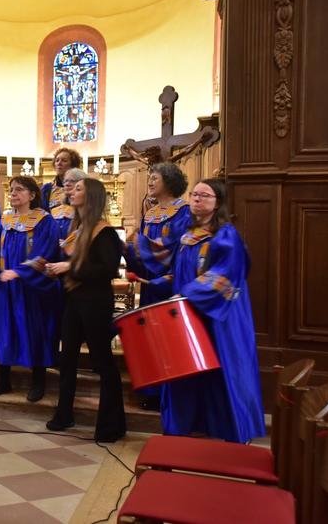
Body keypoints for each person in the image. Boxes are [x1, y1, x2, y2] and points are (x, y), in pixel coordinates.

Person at [147, 179, 265, 443]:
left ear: (218, 202)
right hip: (189, 313)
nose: (197, 199)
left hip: (219, 316)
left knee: (221, 369)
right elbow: (178, 272)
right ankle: (189, 425)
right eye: (194, 194)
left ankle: (228, 430)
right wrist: (156, 281)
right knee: (187, 368)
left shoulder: (225, 235)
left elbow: (224, 275)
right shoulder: (187, 234)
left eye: (204, 195)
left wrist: (187, 294)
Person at [45, 178, 127, 442]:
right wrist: (54, 268)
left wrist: (69, 267)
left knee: (102, 362)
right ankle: (64, 414)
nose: (71, 191)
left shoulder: (105, 232)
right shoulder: (78, 229)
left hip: (95, 302)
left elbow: (107, 269)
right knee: (67, 359)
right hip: (74, 299)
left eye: (78, 188)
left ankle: (111, 425)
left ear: (91, 197)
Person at [0, 176, 60, 402]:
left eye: (19, 190)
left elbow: (46, 253)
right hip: (5, 289)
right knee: (3, 331)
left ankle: (38, 381)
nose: (13, 193)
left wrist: (20, 272)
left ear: (32, 195)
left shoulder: (44, 221)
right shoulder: (3, 220)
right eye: (11, 189)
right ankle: (2, 379)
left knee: (34, 332)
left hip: (31, 290)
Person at [124, 162, 191, 411]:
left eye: (155, 178)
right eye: (149, 178)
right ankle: (152, 391)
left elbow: (175, 247)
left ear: (170, 181)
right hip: (150, 287)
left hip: (172, 284)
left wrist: (139, 244)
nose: (150, 182)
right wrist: (127, 249)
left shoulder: (184, 212)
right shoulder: (150, 213)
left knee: (169, 340)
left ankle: (170, 395)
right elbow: (141, 251)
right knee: (150, 338)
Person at [50, 167, 87, 240]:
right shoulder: (56, 209)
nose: (67, 184)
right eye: (65, 181)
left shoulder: (85, 210)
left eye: (72, 181)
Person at [41, 147, 81, 212]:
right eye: (57, 160)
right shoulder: (47, 188)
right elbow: (42, 212)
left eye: (64, 160)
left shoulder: (81, 187)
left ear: (73, 165)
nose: (59, 163)